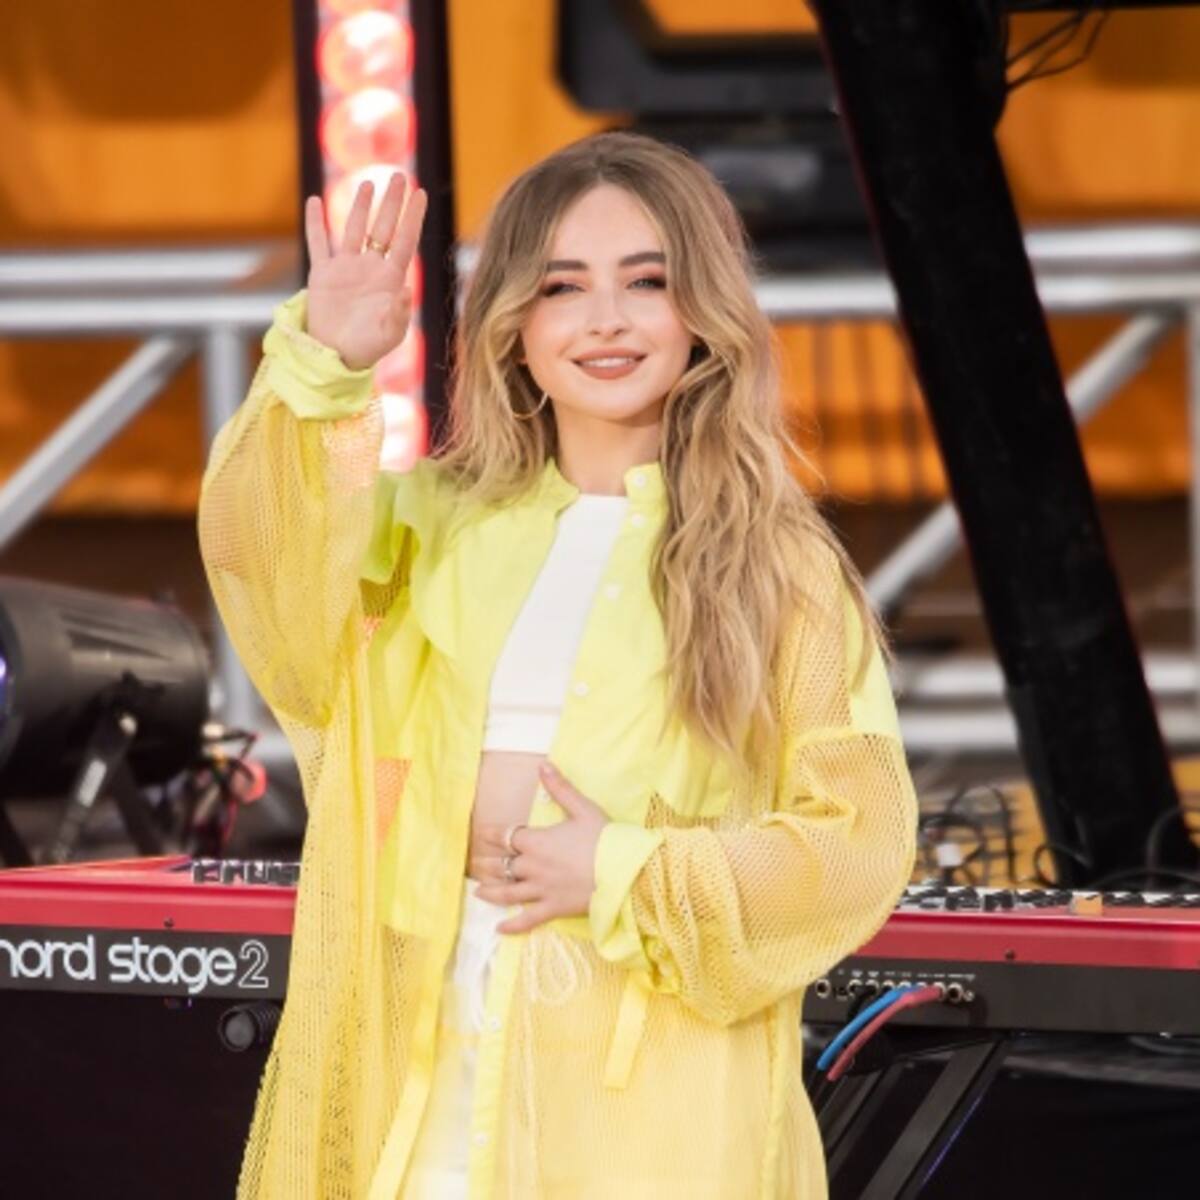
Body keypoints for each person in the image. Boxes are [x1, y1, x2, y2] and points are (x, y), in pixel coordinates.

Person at [198, 131, 917, 1200]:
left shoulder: (779, 568)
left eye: (647, 282)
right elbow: (263, 565)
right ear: (515, 326)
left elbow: (857, 842)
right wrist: (325, 368)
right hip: (420, 1085)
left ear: (703, 312)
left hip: (647, 1133)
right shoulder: (432, 526)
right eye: (563, 286)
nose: (606, 319)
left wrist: (620, 870)